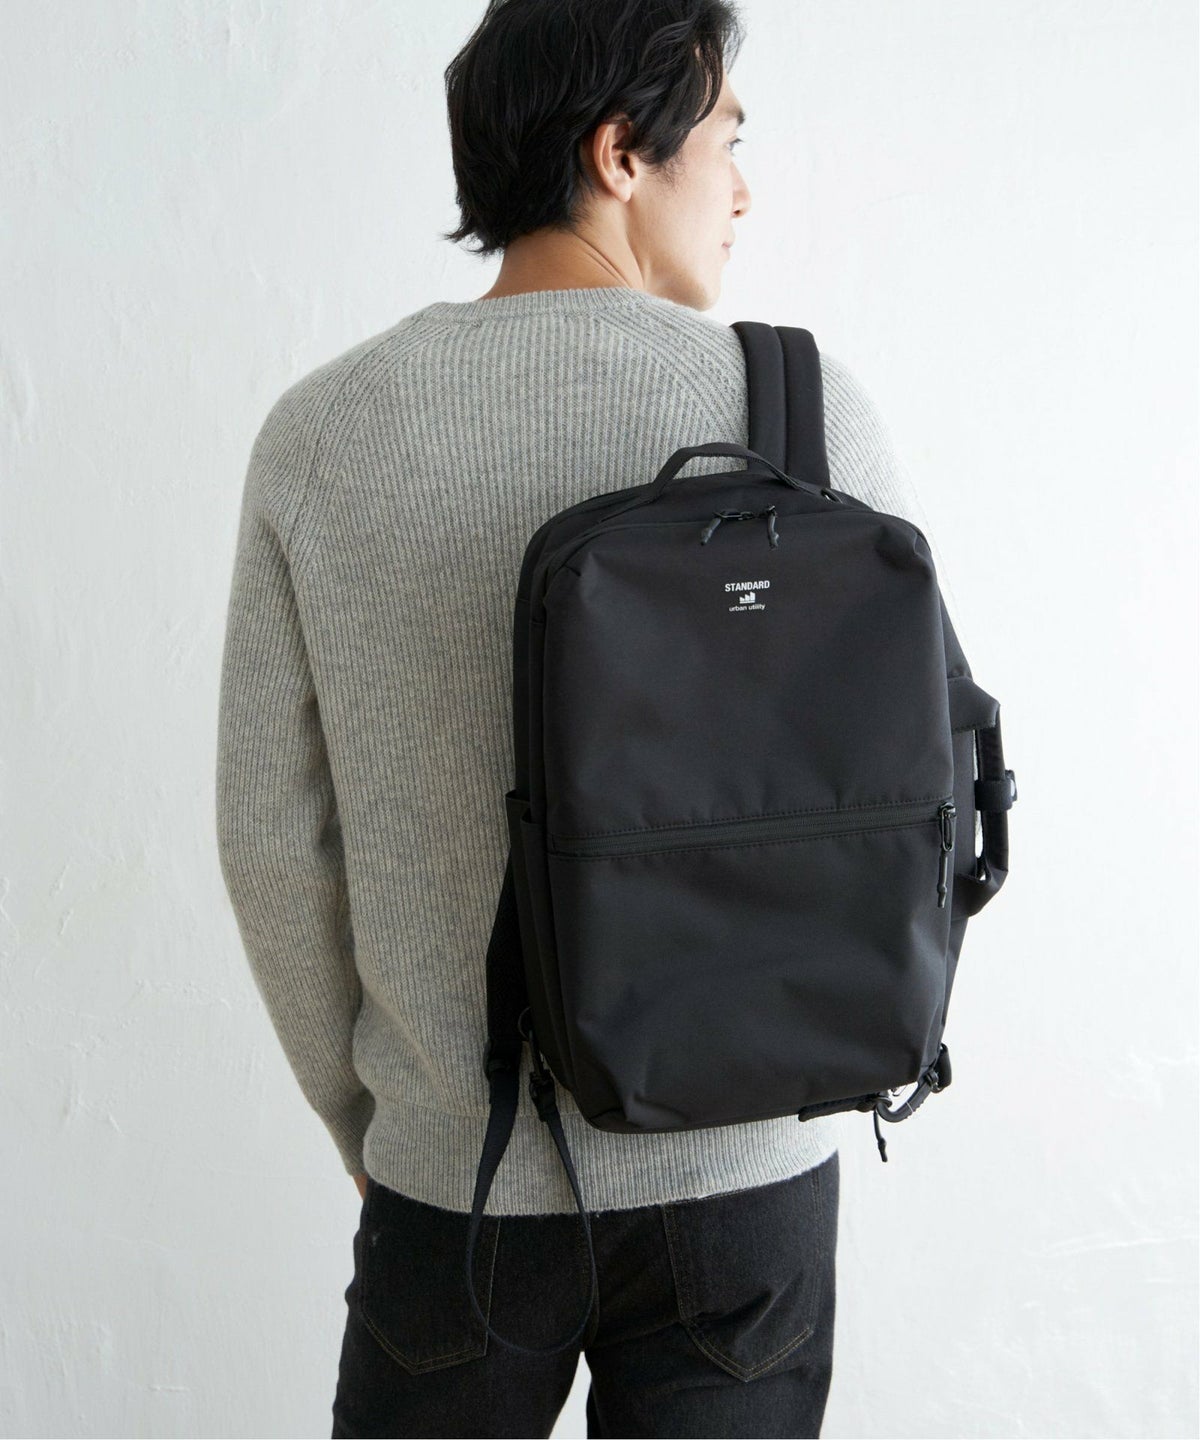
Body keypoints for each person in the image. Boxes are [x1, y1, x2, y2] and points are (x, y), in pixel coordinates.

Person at [215, 2, 961, 1435]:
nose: (742, 189)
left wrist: (376, 1123)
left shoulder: (323, 433)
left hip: (459, 1181)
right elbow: (910, 788)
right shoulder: (807, 419)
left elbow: (270, 837)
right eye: (725, 140)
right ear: (622, 153)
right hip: (743, 1178)